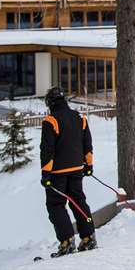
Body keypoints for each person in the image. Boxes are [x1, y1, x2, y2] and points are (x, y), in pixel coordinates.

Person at [40, 86, 96, 256]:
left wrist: (45, 173)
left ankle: (67, 241)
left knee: (56, 205)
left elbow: (47, 150)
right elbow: (87, 144)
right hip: (76, 170)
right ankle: (88, 237)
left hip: (57, 173)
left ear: (50, 103)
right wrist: (89, 165)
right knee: (78, 202)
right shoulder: (80, 118)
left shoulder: (51, 121)